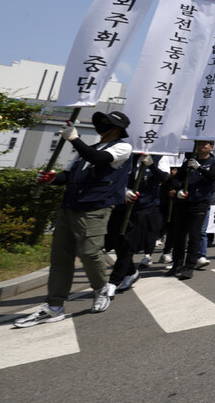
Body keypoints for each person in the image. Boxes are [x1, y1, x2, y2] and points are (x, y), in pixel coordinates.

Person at [16, 111, 133, 327]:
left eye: (108, 123)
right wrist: (53, 178)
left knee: (90, 252)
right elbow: (68, 176)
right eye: (101, 121)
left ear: (117, 129)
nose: (102, 125)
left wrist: (74, 139)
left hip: (96, 207)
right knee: (60, 258)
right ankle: (54, 306)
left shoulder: (123, 147)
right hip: (69, 206)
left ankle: (100, 289)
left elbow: (98, 160)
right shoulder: (87, 150)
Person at [108, 153, 169, 293]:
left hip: (145, 208)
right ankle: (130, 271)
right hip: (121, 204)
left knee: (128, 244)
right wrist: (122, 191)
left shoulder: (159, 157)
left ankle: (112, 282)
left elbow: (163, 177)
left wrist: (151, 165)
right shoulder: (126, 155)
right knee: (117, 242)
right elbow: (113, 176)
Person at [166, 140, 215, 280]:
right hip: (184, 202)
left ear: (211, 147)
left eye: (204, 145)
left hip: (200, 203)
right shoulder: (189, 162)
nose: (201, 147)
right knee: (179, 235)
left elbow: (213, 177)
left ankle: (189, 266)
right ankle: (176, 264)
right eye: (199, 144)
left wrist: (199, 168)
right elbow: (176, 179)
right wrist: (177, 190)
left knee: (195, 235)